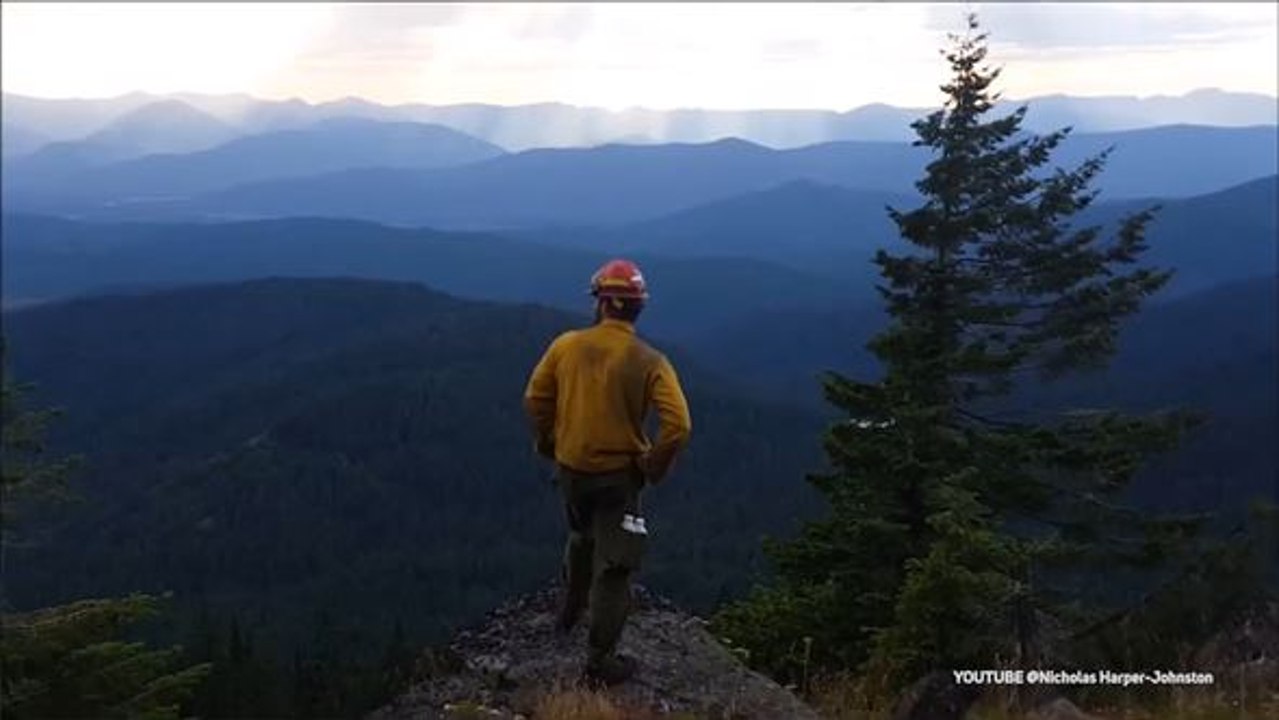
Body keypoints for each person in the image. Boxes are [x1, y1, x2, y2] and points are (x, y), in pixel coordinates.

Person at [523, 258, 692, 686]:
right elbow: (679, 425)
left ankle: (569, 611)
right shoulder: (649, 360)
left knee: (581, 535)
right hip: (619, 477)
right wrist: (652, 466)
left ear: (601, 302)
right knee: (616, 565)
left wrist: (549, 443)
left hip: (571, 470)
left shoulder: (566, 346)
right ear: (638, 307)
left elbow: (535, 397)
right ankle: (599, 662)